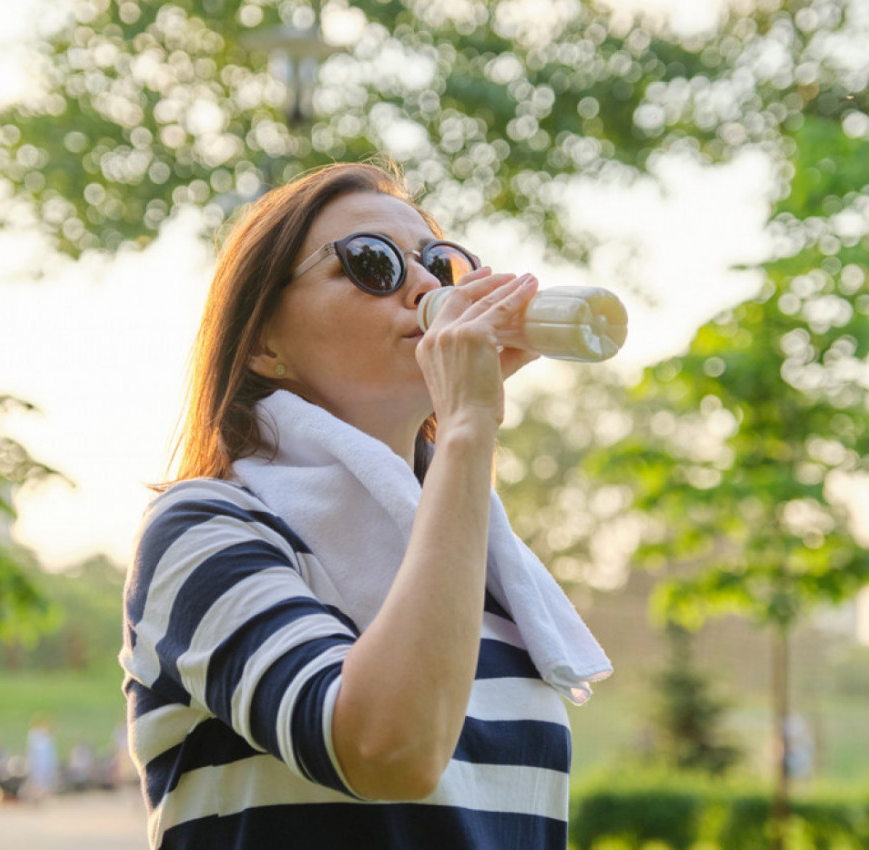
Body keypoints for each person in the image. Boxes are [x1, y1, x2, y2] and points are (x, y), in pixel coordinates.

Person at [119, 160, 612, 849]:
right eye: (371, 263)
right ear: (263, 342)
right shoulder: (205, 529)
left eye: (440, 265)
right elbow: (386, 751)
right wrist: (469, 426)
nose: (420, 286)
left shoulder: (486, 567)